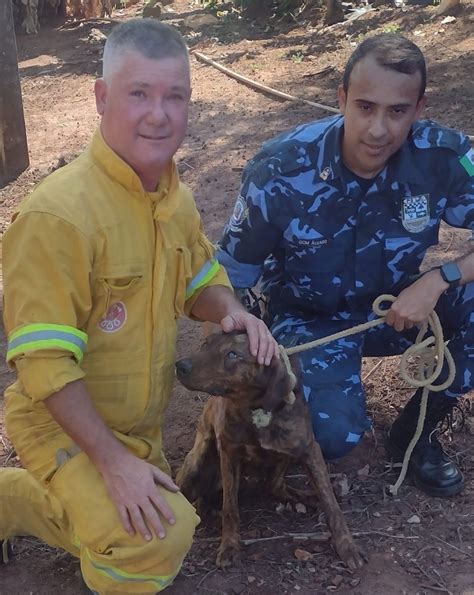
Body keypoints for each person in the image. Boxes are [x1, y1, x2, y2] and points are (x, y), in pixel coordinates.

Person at [0, 19, 278, 594]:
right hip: (63, 429)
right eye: (139, 94)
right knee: (156, 544)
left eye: (174, 96)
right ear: (102, 97)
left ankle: (47, 503)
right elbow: (45, 365)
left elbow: (201, 280)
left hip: (137, 427)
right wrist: (113, 463)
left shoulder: (173, 199)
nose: (160, 114)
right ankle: (32, 502)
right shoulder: (58, 216)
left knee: (154, 523)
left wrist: (232, 312)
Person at [217, 33, 474, 499]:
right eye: (365, 107)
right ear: (342, 99)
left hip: (397, 308)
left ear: (418, 108)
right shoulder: (281, 167)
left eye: (397, 111)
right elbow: (231, 277)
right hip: (308, 323)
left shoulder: (445, 155)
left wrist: (441, 278)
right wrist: (245, 353)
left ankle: (417, 432)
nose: (378, 129)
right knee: (334, 439)